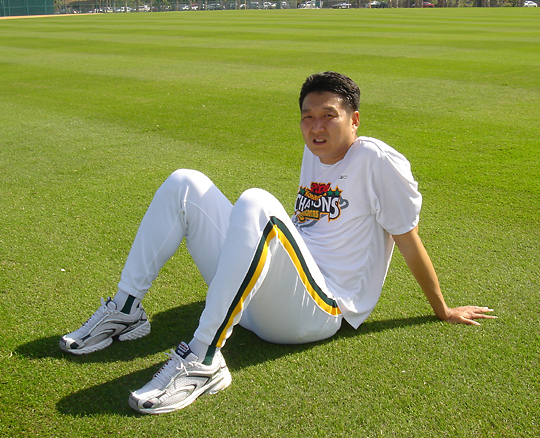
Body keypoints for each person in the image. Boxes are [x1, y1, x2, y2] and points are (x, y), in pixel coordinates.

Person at [60, 71, 495, 414]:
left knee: (257, 202)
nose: (316, 127)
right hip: (267, 301)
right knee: (184, 183)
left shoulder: (377, 160)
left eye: (329, 115)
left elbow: (407, 239)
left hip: (321, 310)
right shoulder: (314, 152)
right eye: (308, 117)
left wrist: (442, 309)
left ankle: (204, 359)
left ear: (354, 119)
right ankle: (126, 310)